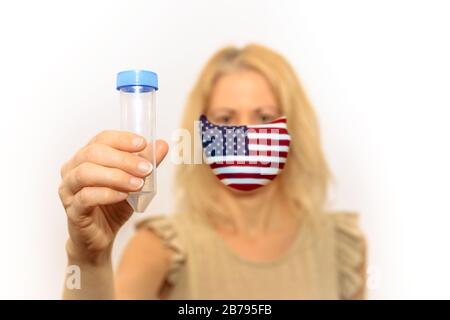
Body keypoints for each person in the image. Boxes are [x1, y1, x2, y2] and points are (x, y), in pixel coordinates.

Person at [59, 43, 366, 299]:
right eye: (226, 118)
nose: (245, 134)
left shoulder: (341, 246)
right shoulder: (161, 247)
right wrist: (88, 259)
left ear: (293, 129)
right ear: (203, 133)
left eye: (264, 116)